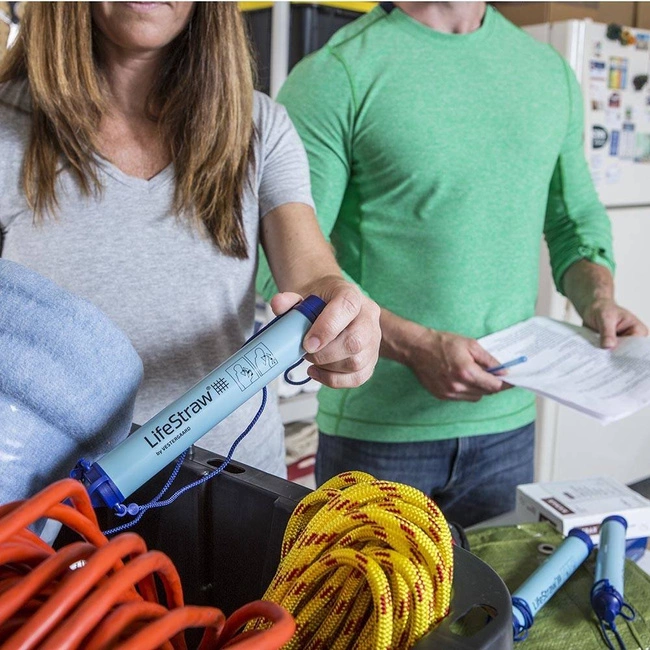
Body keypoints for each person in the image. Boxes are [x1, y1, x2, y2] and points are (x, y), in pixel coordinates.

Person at [257, 1, 647, 525]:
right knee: (369, 609)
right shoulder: (337, 74)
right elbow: (282, 263)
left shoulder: (547, 71)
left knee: (498, 608)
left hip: (509, 424)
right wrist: (416, 347)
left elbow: (574, 222)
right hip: (378, 436)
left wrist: (598, 298)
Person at [0, 2, 380, 481]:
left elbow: (312, 274)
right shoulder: (5, 128)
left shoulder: (260, 127)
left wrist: (341, 310)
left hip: (234, 485)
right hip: (53, 496)